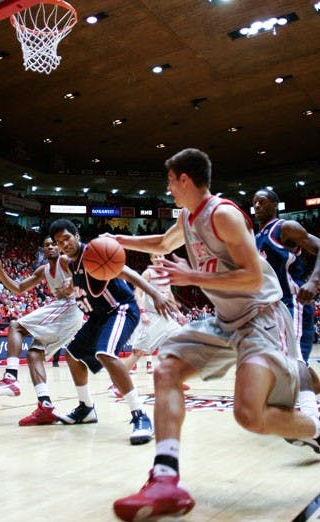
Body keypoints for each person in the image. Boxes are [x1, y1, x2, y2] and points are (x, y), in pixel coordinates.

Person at [105, 148, 320, 521]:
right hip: (224, 320)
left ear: (185, 179)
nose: (168, 188)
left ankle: (315, 427)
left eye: (171, 181)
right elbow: (160, 245)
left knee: (250, 416)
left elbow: (254, 278)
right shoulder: (187, 218)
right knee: (166, 369)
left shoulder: (223, 215)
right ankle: (165, 479)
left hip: (260, 318)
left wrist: (192, 277)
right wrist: (115, 242)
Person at [49, 219, 174, 445]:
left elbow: (128, 273)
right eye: (59, 241)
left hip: (121, 309)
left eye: (66, 238)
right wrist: (70, 286)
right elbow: (82, 282)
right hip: (99, 316)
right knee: (72, 355)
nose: (63, 244)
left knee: (105, 353)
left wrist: (155, 294)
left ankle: (141, 415)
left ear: (77, 235)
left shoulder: (95, 251)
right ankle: (86, 408)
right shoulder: (68, 263)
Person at [0, 236, 83, 426]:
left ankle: (10, 378)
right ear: (43, 250)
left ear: (59, 247)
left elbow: (83, 274)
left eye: (54, 244)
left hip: (70, 307)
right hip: (68, 314)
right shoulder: (43, 270)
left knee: (14, 326)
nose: (51, 246)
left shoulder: (65, 261)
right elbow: (18, 288)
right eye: (47, 245)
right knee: (34, 354)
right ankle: (45, 406)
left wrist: (73, 285)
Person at [252, 188, 320, 392]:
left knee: (295, 362)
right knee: (284, 363)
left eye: (262, 202)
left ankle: (309, 416)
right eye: (254, 202)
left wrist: (314, 282)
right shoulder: (255, 238)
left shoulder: (286, 228)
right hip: (270, 309)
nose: (257, 206)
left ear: (275, 205)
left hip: (293, 304)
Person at [108, 253, 187, 398]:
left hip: (166, 317)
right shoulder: (148, 273)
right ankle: (116, 383)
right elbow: (136, 293)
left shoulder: (167, 274)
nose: (158, 258)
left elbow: (169, 295)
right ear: (151, 259)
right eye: (155, 256)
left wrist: (178, 313)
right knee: (138, 352)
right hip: (150, 316)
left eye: (160, 255)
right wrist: (142, 312)